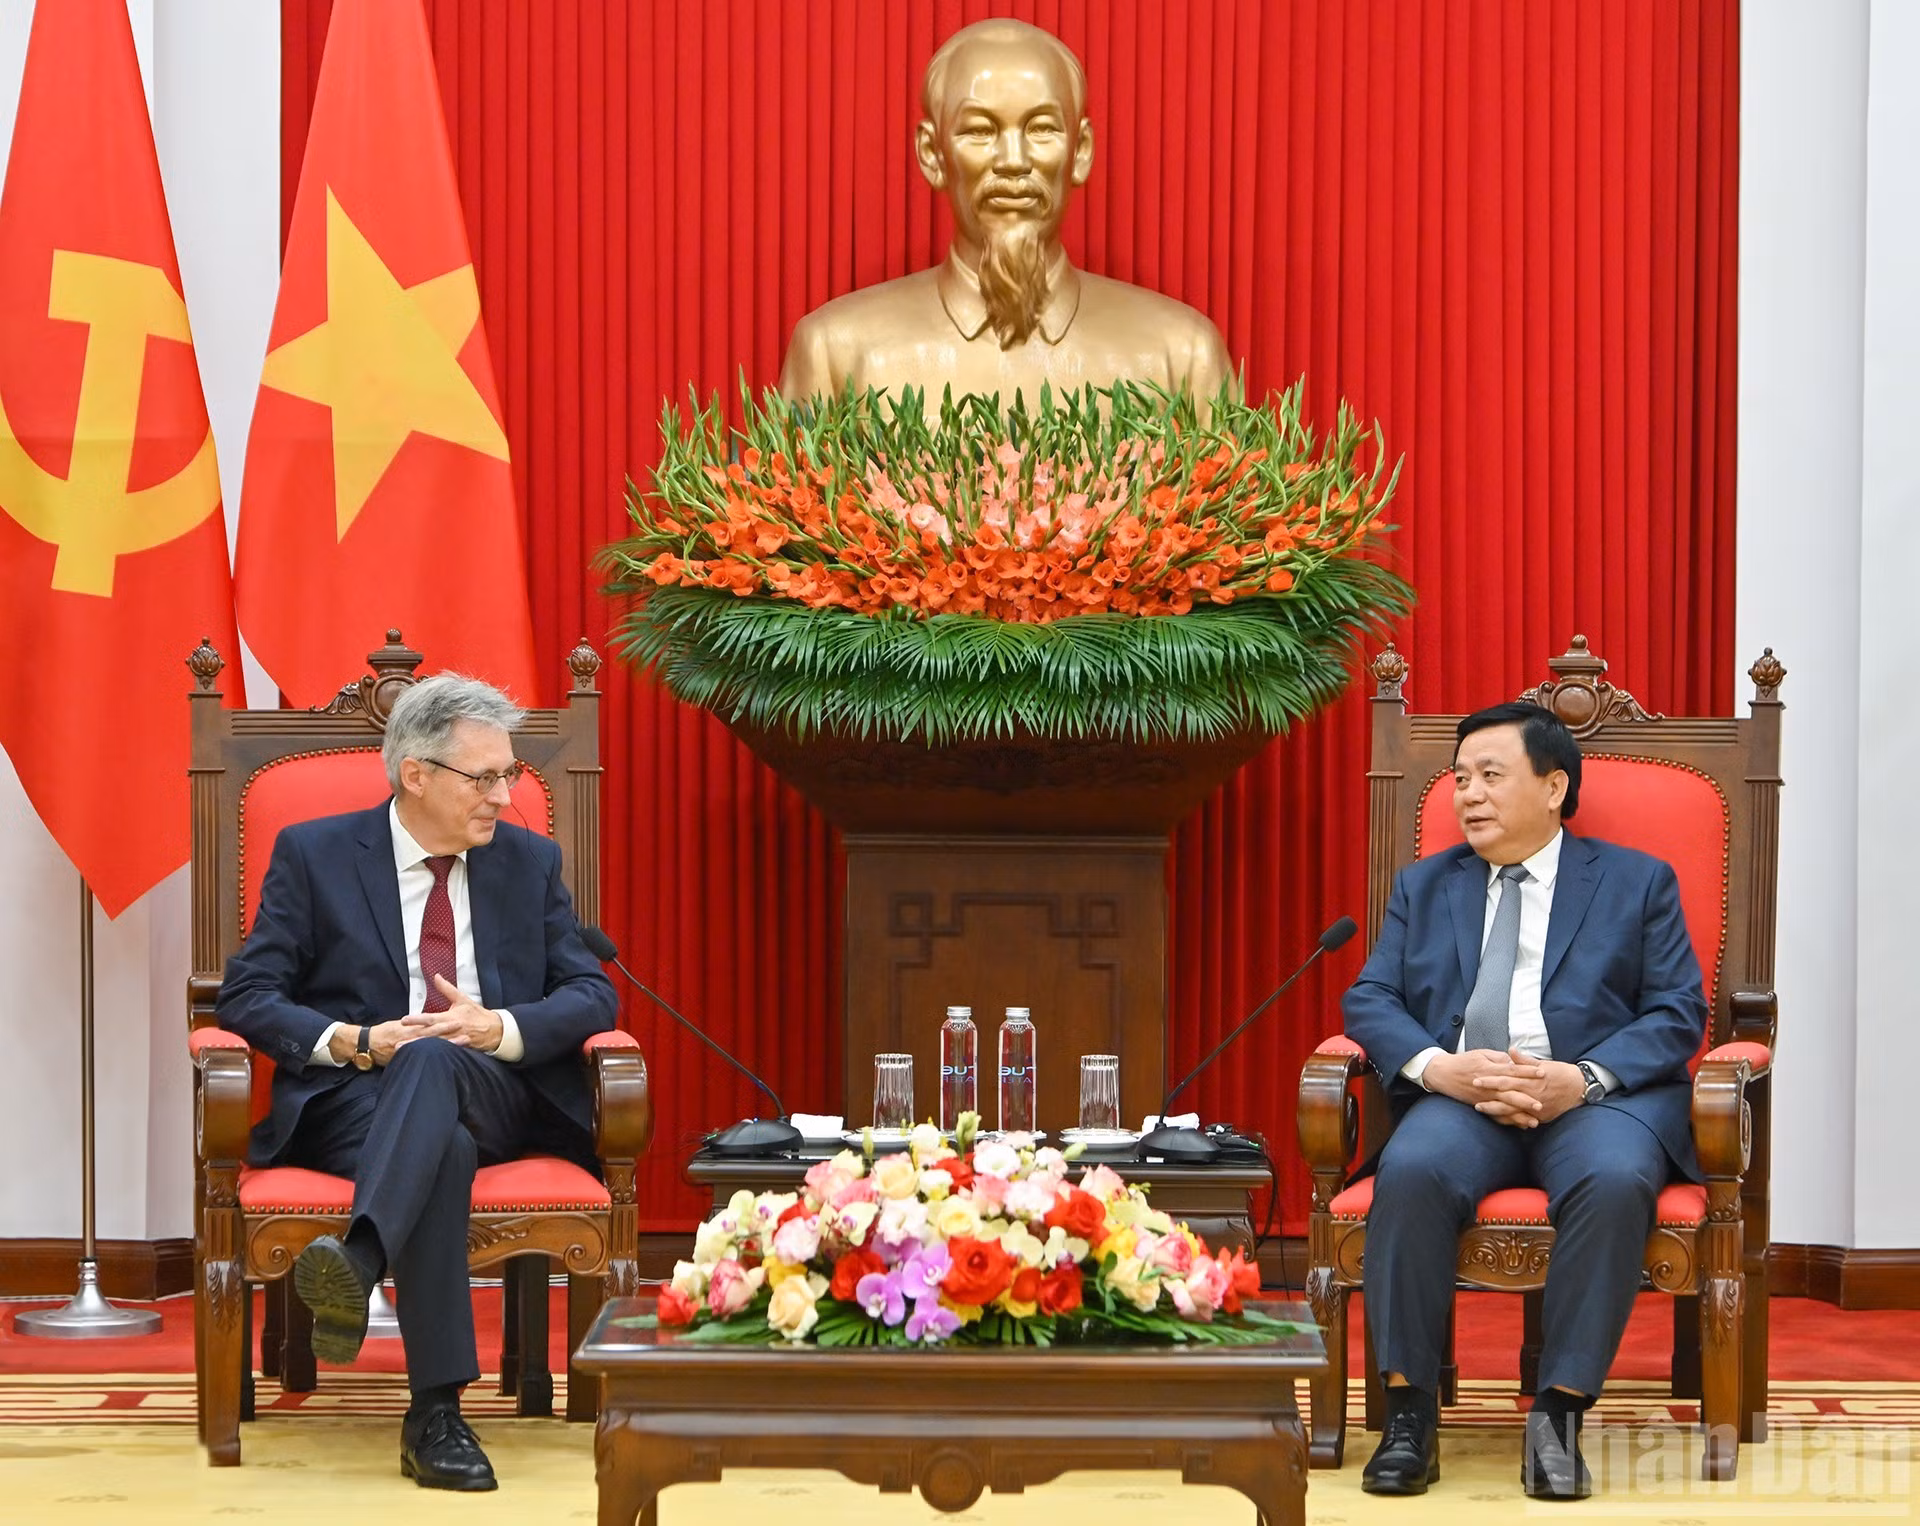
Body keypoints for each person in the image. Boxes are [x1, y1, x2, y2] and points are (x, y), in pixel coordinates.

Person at [216, 674, 618, 1491]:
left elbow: (591, 993)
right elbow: (248, 998)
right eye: (487, 778)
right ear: (416, 775)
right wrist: (357, 1041)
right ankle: (434, 1415)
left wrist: (494, 1028)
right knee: (446, 1148)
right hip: (353, 1101)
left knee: (439, 1062)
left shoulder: (528, 862)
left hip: (496, 1087)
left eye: (509, 776)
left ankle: (359, 1262)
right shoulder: (316, 854)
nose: (505, 797)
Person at [1342, 700, 1706, 1501]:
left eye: (1490, 776)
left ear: (1553, 786)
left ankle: (1559, 1416)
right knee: (1412, 1168)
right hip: (1464, 1096)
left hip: (1592, 1098)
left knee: (1614, 1180)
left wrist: (1582, 1078)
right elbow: (1371, 999)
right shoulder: (1426, 885)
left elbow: (1679, 1011)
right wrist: (1440, 1069)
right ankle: (1409, 1418)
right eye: (1460, 778)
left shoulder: (1637, 881)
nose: (1467, 794)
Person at [778, 17, 1232, 411]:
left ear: (1081, 151)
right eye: (979, 130)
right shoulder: (834, 355)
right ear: (932, 155)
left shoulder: (1183, 359)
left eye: (1041, 129)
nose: (1013, 160)